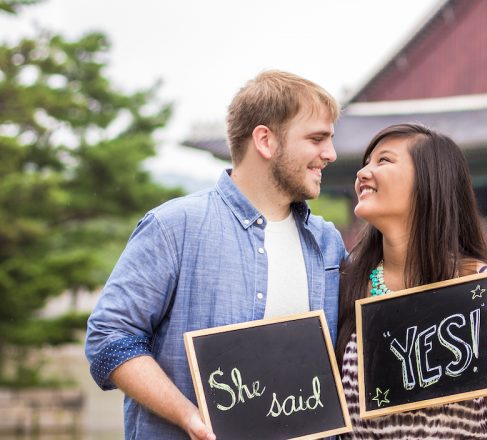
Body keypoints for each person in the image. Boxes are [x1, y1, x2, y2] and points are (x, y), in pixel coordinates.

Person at [85, 70, 347, 439]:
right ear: (265, 141)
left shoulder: (328, 242)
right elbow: (108, 338)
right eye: (317, 139)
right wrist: (189, 416)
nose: (330, 154)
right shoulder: (174, 226)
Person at [335, 123, 487, 438]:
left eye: (383, 161)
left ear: (428, 182)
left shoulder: (484, 287)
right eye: (365, 163)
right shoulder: (346, 284)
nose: (363, 173)